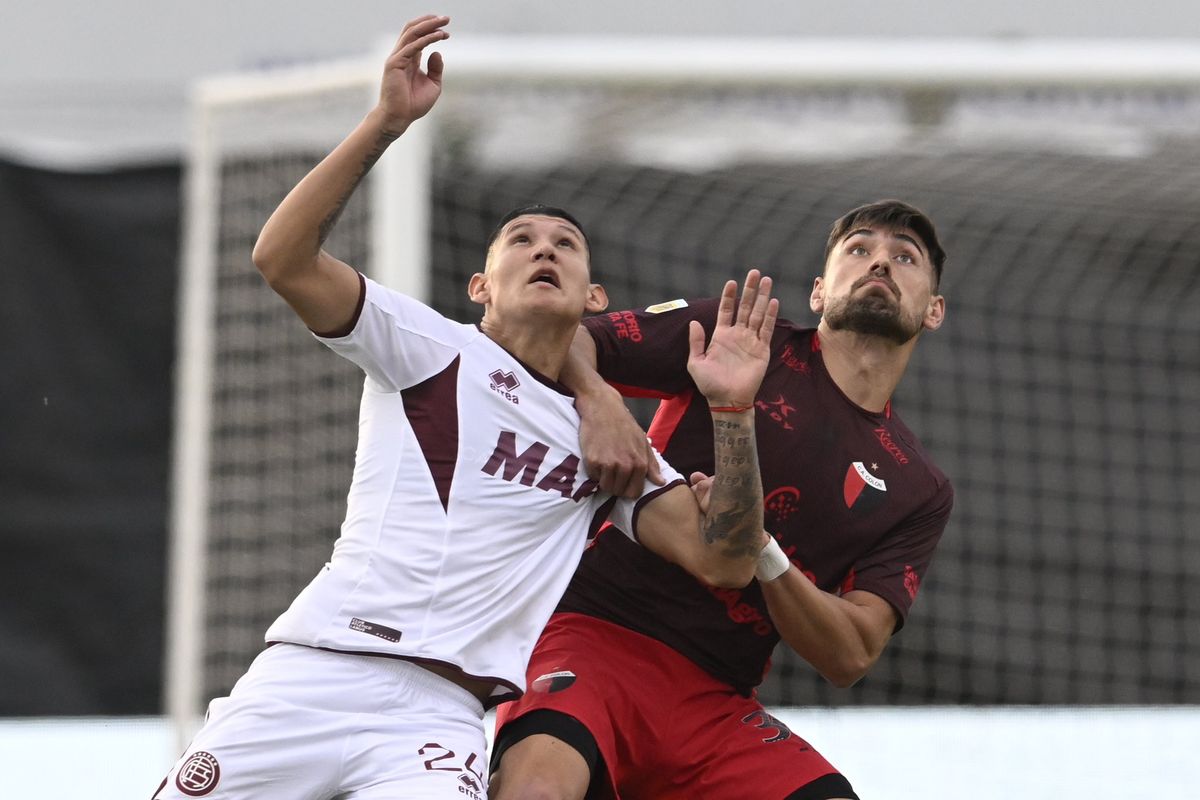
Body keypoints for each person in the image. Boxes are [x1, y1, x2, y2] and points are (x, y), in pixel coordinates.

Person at [153, 14, 781, 800]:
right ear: (479, 289)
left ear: (594, 298)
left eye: (563, 243)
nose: (543, 249)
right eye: (520, 240)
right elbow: (281, 259)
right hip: (312, 676)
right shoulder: (430, 347)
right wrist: (386, 123)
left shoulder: (614, 446)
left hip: (438, 719)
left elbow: (724, 561)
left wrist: (731, 415)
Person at [490, 199, 954, 800]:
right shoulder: (736, 334)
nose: (880, 265)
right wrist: (600, 400)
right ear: (818, 290)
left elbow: (851, 652)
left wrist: (762, 550)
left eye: (905, 258)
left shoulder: (919, 486)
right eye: (860, 249)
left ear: (935, 310)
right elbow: (571, 338)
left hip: (715, 699)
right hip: (591, 634)